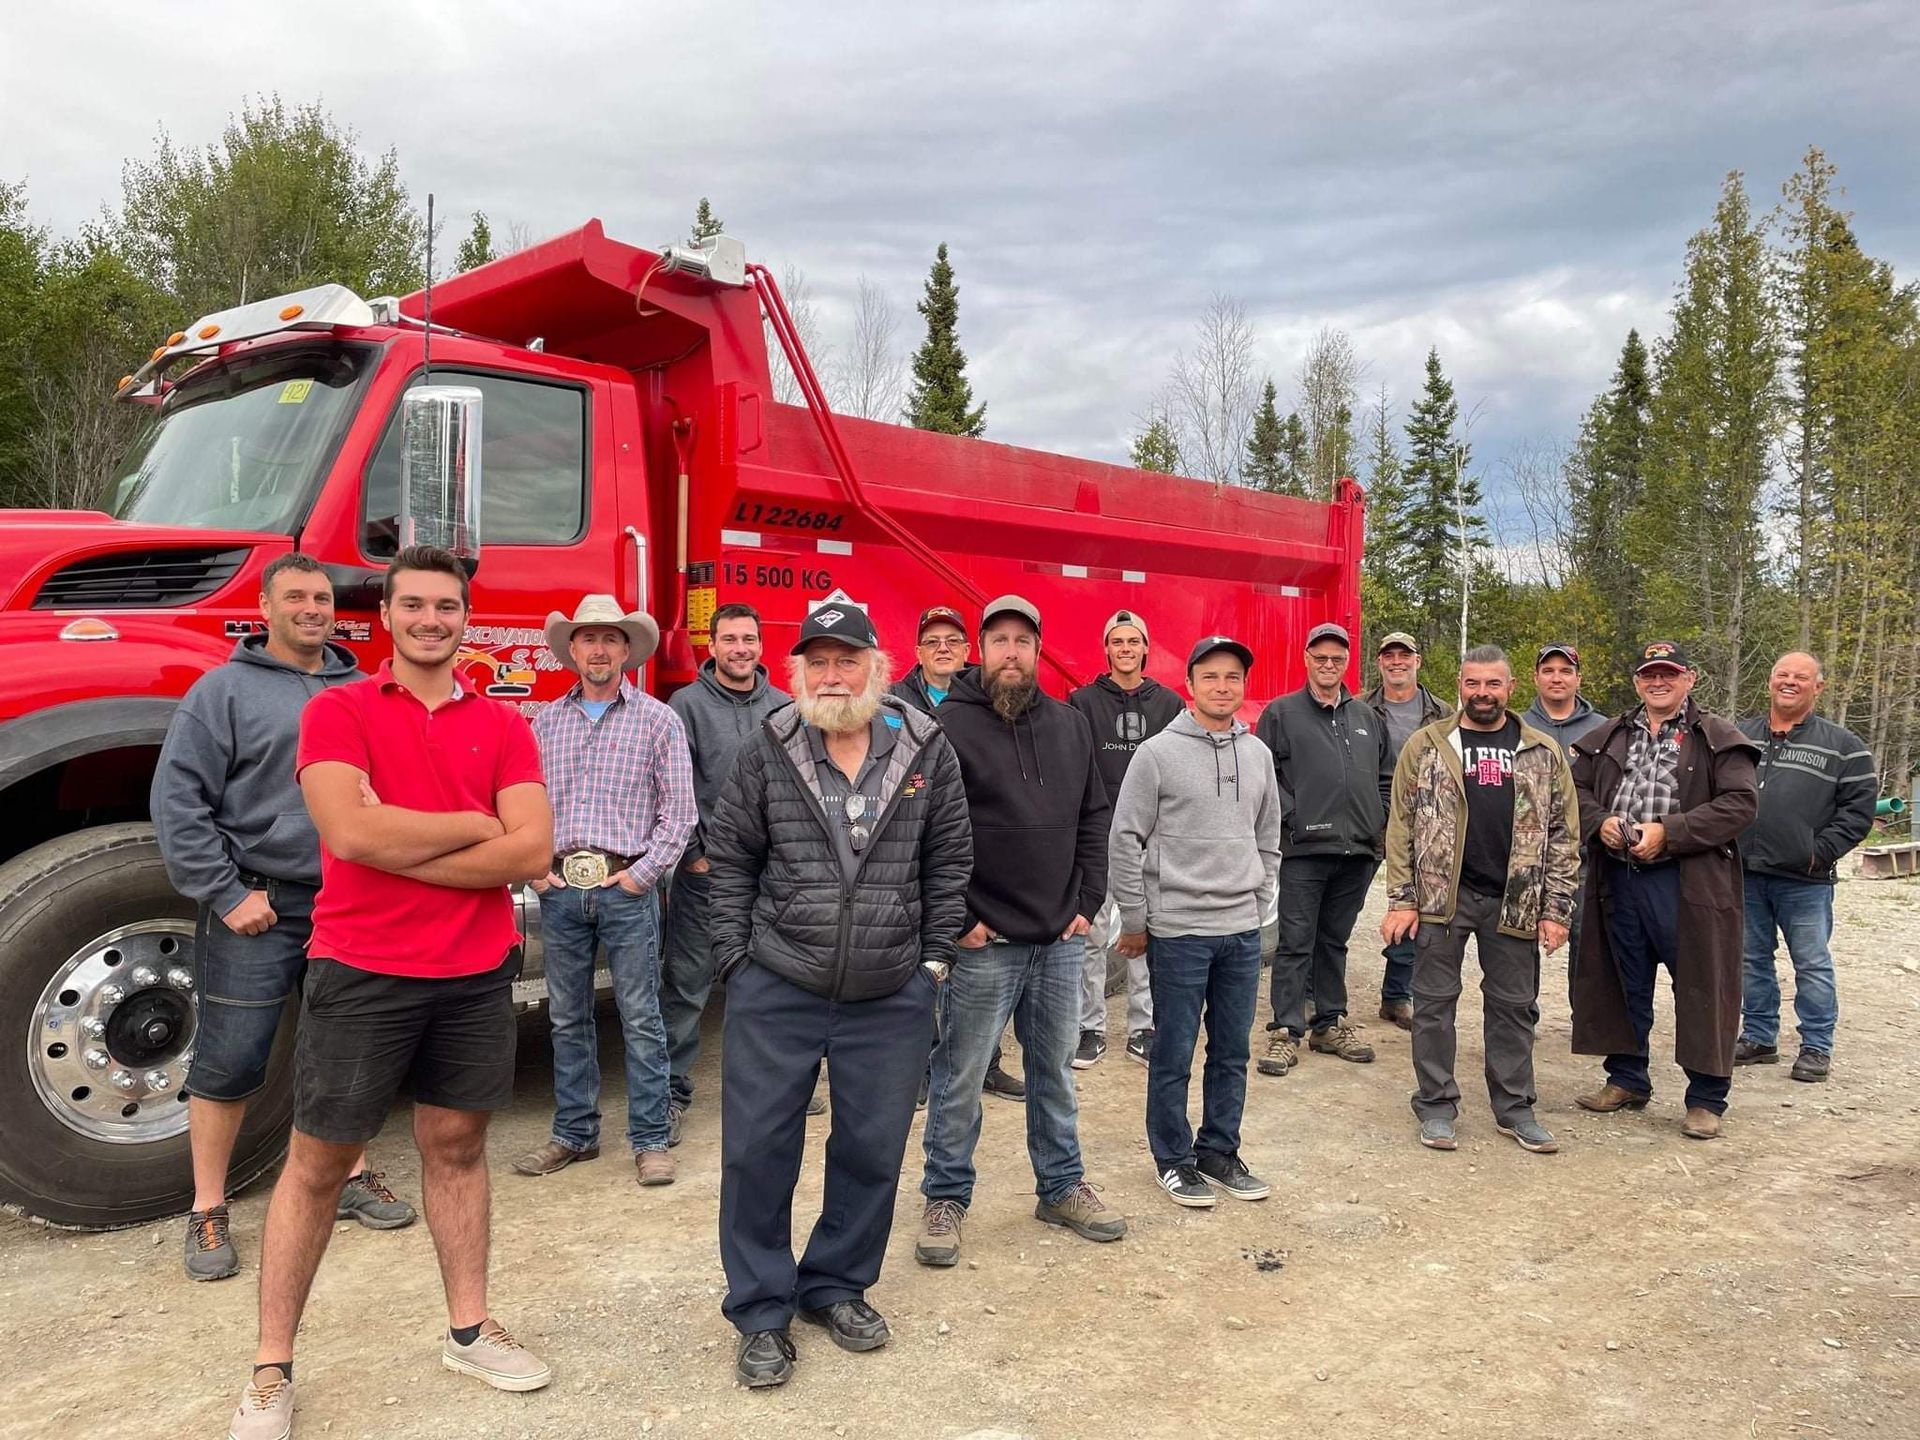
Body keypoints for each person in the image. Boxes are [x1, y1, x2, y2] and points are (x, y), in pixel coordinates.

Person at [224, 546, 554, 1439]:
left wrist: (409, 837)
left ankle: (470, 1330)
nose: (431, 620)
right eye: (414, 604)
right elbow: (348, 831)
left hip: (475, 972)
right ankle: (270, 1369)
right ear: (387, 615)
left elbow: (531, 853)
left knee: (456, 1145)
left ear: (464, 618)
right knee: (321, 1163)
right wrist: (474, 823)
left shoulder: (506, 725)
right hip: (362, 968)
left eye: (447, 606)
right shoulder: (338, 710)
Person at [704, 601, 971, 1388]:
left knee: (870, 1149)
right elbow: (731, 854)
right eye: (817, 661)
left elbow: (950, 860)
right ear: (796, 673)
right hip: (777, 983)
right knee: (757, 1153)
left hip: (890, 992)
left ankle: (836, 1286)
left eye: (846, 660)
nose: (831, 675)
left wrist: (931, 965)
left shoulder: (928, 748)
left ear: (876, 667)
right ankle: (759, 1310)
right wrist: (736, 964)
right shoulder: (768, 748)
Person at [153, 554, 414, 1285]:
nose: (311, 608)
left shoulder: (367, 691)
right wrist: (229, 894)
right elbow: (179, 804)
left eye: (322, 597)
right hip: (259, 906)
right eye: (295, 596)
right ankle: (207, 1207)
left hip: (350, 903)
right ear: (264, 608)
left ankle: (351, 1173)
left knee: (346, 1054)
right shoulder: (223, 693)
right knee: (233, 1058)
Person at [917, 595, 1127, 1266]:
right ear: (982, 649)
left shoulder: (1069, 726)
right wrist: (958, 920)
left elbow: (1096, 816)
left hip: (1059, 940)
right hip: (985, 944)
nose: (1012, 652)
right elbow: (925, 834)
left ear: (1039, 651)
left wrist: (1087, 901)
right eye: (1000, 640)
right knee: (961, 1072)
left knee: (1054, 1070)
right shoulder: (946, 726)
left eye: (1023, 642)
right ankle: (946, 1196)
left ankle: (1061, 1184)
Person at [514, 596, 696, 1186]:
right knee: (566, 1017)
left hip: (627, 885)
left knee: (641, 1015)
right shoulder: (546, 722)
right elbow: (522, 803)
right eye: (587, 638)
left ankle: (649, 1139)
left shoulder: (658, 720)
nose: (598, 649)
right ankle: (574, 1133)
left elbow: (681, 813)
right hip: (561, 886)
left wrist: (642, 875)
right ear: (572, 650)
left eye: (610, 639)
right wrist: (537, 871)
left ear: (626, 651)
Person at [1380, 645, 1579, 1154]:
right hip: (1440, 900)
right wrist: (1402, 899)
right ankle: (1436, 1105)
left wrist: (1555, 910)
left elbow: (1563, 834)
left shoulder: (1541, 750)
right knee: (1433, 1006)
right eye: (1473, 684)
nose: (1482, 693)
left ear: (1511, 688)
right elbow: (1400, 826)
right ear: (1459, 685)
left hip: (1514, 902)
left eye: (1493, 684)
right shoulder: (1427, 745)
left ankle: (1515, 1108)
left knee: (1514, 1007)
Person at [1109, 636, 1281, 1207]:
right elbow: (1124, 839)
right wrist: (1137, 917)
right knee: (1174, 1051)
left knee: (1232, 1050)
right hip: (1178, 931)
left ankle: (1219, 1151)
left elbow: (1268, 838)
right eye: (1211, 677)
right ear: (1190, 684)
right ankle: (1174, 1159)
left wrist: (1259, 903)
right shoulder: (1156, 754)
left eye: (1233, 677)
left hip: (1240, 930)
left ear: (1243, 686)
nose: (1223, 687)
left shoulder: (1256, 756)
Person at [1571, 640, 1759, 1141]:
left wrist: (1668, 833)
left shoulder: (1717, 736)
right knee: (1621, 980)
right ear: (1637, 681)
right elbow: (1576, 791)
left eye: (1669, 674)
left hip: (1687, 881)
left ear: (1688, 679)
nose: (1659, 682)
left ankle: (1705, 1098)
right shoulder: (1608, 735)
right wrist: (1601, 822)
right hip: (1619, 877)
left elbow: (1740, 804)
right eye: (1650, 674)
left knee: (1701, 984)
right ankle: (1627, 1079)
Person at [661, 603, 789, 1140]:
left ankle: (780, 1090)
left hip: (772, 877)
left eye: (750, 639)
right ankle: (668, 1092)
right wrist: (693, 852)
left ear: (762, 646)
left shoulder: (785, 707)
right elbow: (675, 784)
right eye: (730, 639)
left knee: (772, 985)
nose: (741, 648)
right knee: (687, 984)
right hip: (707, 874)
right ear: (711, 646)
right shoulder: (685, 705)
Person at [893, 604, 1025, 1103]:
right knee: (922, 965)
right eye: (933, 641)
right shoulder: (895, 701)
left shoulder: (993, 697)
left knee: (980, 965)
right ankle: (923, 1068)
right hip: (915, 850)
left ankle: (986, 1063)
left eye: (952, 640)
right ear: (917, 652)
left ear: (968, 651)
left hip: (980, 852)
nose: (943, 648)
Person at [1253, 621, 1392, 1077]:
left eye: (1337, 658)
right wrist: (1293, 819)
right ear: (1307, 660)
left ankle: (1329, 1023)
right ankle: (1285, 1031)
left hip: (1357, 853)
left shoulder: (1368, 718)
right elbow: (1266, 774)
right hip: (1304, 851)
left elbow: (1386, 777)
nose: (1328, 665)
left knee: (1334, 941)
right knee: (1295, 943)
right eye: (1320, 658)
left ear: (1347, 662)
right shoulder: (1282, 713)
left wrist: (1380, 822)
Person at [1735, 652, 1876, 1083]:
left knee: (1811, 962)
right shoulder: (1740, 735)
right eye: (1783, 674)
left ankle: (1816, 1045)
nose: (1790, 682)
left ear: (1818, 687)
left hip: (1806, 881)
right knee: (1750, 958)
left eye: (1801, 677)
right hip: (1744, 872)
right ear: (1769, 682)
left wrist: (1819, 852)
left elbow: (1858, 811)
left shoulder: (1844, 747)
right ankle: (1759, 1036)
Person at [1069, 609, 1182, 1068]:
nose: (1126, 649)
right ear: (1107, 649)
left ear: (1145, 649)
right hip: (1099, 837)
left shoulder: (1170, 705)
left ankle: (1143, 1028)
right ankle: (1089, 1028)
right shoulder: (1082, 703)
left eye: (1133, 642)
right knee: (1092, 937)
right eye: (1118, 642)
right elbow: (1074, 768)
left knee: (1145, 936)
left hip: (1152, 842)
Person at [1361, 630, 1454, 1030]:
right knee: (1340, 912)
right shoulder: (1360, 708)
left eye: (1405, 655)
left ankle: (1398, 995)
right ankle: (1317, 995)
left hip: (1426, 823)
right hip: (1370, 817)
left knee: (1414, 908)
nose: (1397, 661)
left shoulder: (1443, 713)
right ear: (1379, 662)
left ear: (1418, 660)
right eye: (1389, 655)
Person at [1521, 643, 1610, 1004]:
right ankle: (1521, 1015)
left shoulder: (1603, 729)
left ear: (1578, 678)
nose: (1557, 678)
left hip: (1582, 856)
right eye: (1549, 670)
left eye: (1565, 671)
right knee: (1519, 940)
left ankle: (1585, 1018)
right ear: (1535, 677)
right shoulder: (1515, 725)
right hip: (1525, 855)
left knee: (1586, 939)